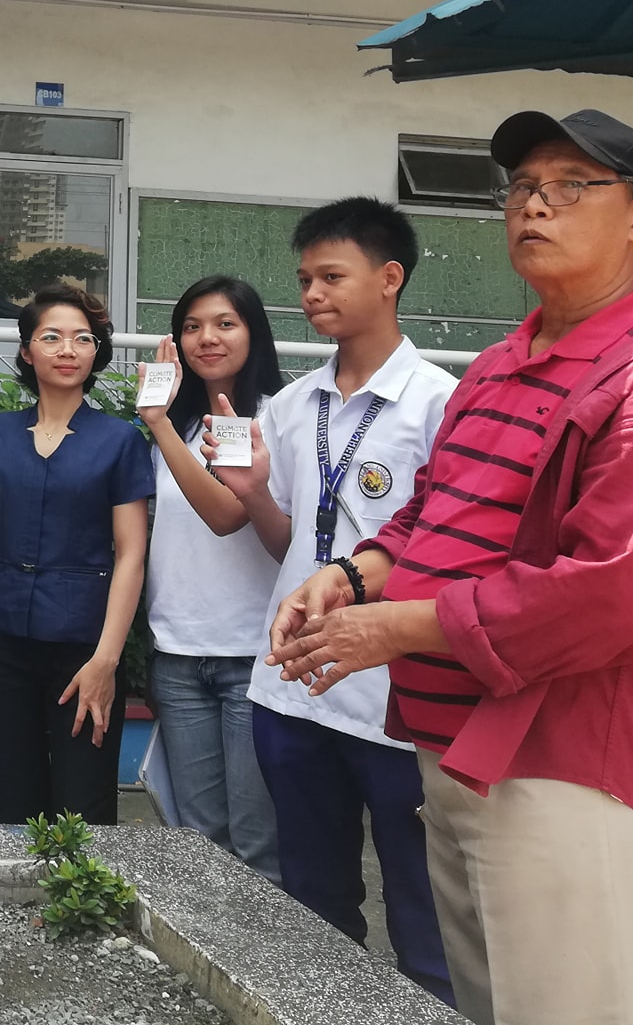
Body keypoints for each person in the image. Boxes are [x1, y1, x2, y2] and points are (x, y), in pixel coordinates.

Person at [270, 110, 633, 1025]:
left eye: (571, 187)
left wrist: (396, 626)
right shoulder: (494, 368)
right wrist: (357, 575)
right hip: (457, 757)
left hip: (570, 768)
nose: (536, 206)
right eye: (522, 188)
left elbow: (618, 594)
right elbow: (430, 510)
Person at [207, 198, 454, 1005]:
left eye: (331, 276)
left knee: (426, 916)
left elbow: (446, 555)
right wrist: (250, 493)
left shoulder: (437, 404)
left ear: (390, 280)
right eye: (306, 278)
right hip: (291, 688)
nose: (312, 293)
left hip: (394, 699)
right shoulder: (290, 407)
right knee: (313, 907)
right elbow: (286, 545)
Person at [0, 284, 151, 826]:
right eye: (51, 337)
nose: (67, 349)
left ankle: (80, 911)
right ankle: (15, 908)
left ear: (96, 352)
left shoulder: (119, 439)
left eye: (82, 338)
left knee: (86, 795)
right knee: (10, 788)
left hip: (83, 640)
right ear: (27, 352)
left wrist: (106, 661)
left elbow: (131, 556)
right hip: (3, 636)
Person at [137, 277, 284, 879]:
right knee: (197, 845)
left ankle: (267, 973)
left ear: (254, 332)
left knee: (257, 846)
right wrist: (166, 422)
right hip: (177, 652)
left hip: (254, 655)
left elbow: (227, 514)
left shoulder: (280, 416)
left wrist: (160, 425)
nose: (207, 339)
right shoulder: (176, 423)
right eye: (193, 326)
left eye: (225, 324)